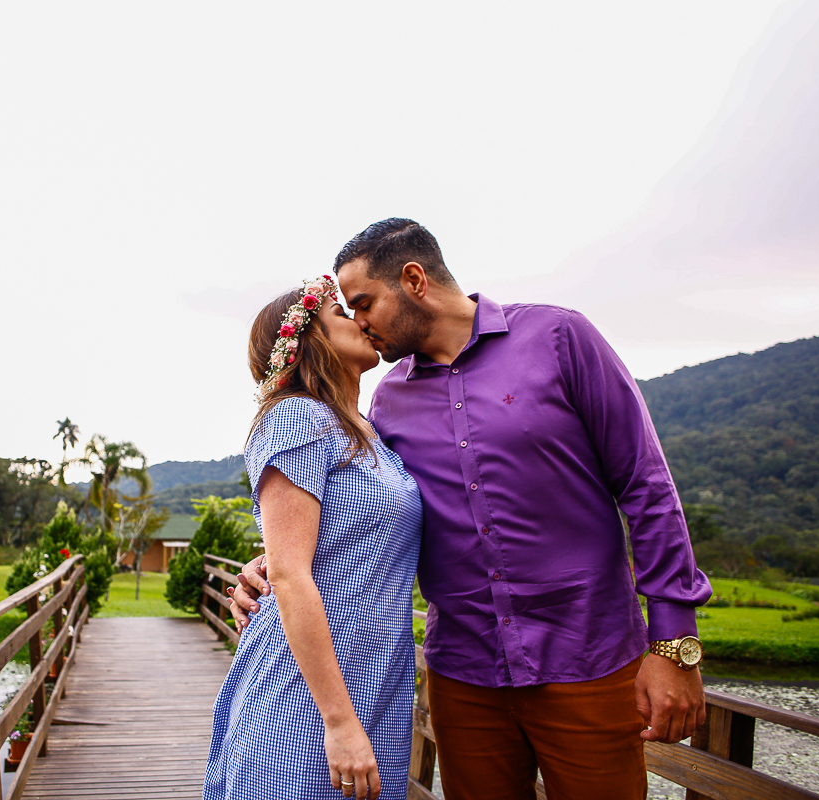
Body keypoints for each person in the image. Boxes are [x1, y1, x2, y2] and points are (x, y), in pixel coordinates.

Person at [229, 219, 713, 800]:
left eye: (364, 303)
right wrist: (271, 564)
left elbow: (646, 486)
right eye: (347, 311)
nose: (359, 320)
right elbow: (351, 506)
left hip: (588, 658)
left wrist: (674, 644)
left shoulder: (560, 338)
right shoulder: (388, 401)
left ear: (414, 280)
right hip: (463, 675)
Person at [203, 275, 424, 800]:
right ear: (311, 342)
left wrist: (265, 563)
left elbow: (335, 542)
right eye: (341, 314)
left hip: (377, 679)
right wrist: (340, 721)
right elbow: (291, 572)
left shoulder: (368, 432)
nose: (361, 320)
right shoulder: (297, 417)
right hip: (308, 697)